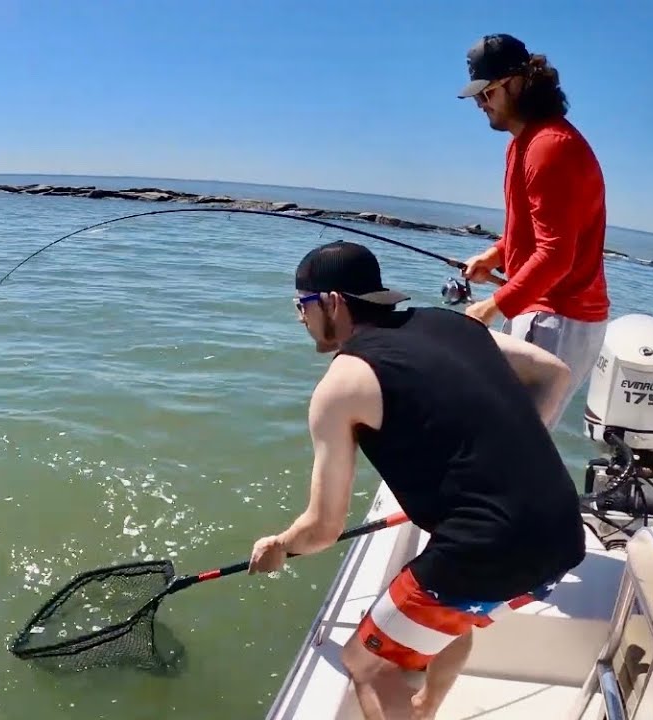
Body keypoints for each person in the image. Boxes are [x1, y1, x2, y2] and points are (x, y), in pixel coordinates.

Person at [247, 241, 586, 720]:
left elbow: (323, 528)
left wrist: (282, 545)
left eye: (301, 304)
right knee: (451, 611)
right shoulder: (455, 323)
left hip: (488, 550)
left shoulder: (342, 383)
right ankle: (425, 706)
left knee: (367, 665)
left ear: (333, 302)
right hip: (562, 535)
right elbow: (554, 372)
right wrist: (503, 458)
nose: (298, 317)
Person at [455, 33, 610, 430]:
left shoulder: (551, 148)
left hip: (562, 318)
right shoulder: (521, 145)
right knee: (502, 434)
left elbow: (557, 254)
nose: (479, 105)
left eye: (487, 94)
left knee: (515, 444)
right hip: (538, 311)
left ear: (518, 83)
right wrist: (496, 255)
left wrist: (489, 309)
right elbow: (533, 233)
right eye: (476, 96)